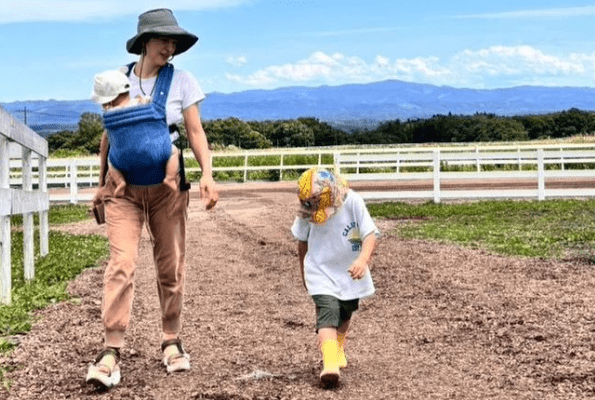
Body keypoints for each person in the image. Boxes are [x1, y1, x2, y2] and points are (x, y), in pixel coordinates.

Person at [86, 8, 218, 389]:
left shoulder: (182, 82)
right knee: (121, 265)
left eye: (174, 41)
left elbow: (195, 131)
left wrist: (207, 175)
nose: (170, 47)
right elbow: (110, 138)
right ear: (145, 41)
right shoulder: (117, 82)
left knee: (170, 266)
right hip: (123, 192)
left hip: (167, 192)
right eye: (164, 39)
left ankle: (171, 340)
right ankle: (111, 349)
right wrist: (100, 184)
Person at [290, 167, 378, 388]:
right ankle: (330, 365)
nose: (312, 207)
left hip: (349, 271)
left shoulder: (353, 202)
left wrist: (362, 260)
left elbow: (369, 234)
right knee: (328, 311)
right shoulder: (307, 211)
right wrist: (305, 272)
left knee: (346, 310)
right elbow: (302, 242)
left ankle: (338, 348)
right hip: (320, 271)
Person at [90, 69, 179, 195]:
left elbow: (106, 138)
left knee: (111, 162)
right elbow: (150, 102)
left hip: (122, 158)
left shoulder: (110, 114)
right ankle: (170, 178)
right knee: (174, 151)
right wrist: (144, 100)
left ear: (108, 100)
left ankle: (120, 182)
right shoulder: (140, 103)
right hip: (153, 152)